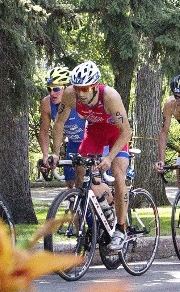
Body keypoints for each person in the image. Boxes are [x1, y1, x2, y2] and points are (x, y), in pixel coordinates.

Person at [48, 60, 133, 252]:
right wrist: (55, 152)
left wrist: (110, 158)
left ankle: (121, 228)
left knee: (119, 174)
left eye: (86, 89)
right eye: (78, 88)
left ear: (95, 87)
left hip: (116, 134)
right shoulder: (70, 95)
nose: (81, 93)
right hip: (94, 132)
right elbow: (59, 123)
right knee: (80, 172)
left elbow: (126, 131)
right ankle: (98, 211)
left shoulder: (110, 96)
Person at [38, 65, 85, 188]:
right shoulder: (46, 103)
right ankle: (74, 206)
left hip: (91, 141)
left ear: (67, 88)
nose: (52, 93)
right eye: (49, 89)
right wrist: (45, 155)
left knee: (90, 184)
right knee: (70, 183)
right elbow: (44, 131)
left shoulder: (79, 100)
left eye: (56, 89)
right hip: (73, 143)